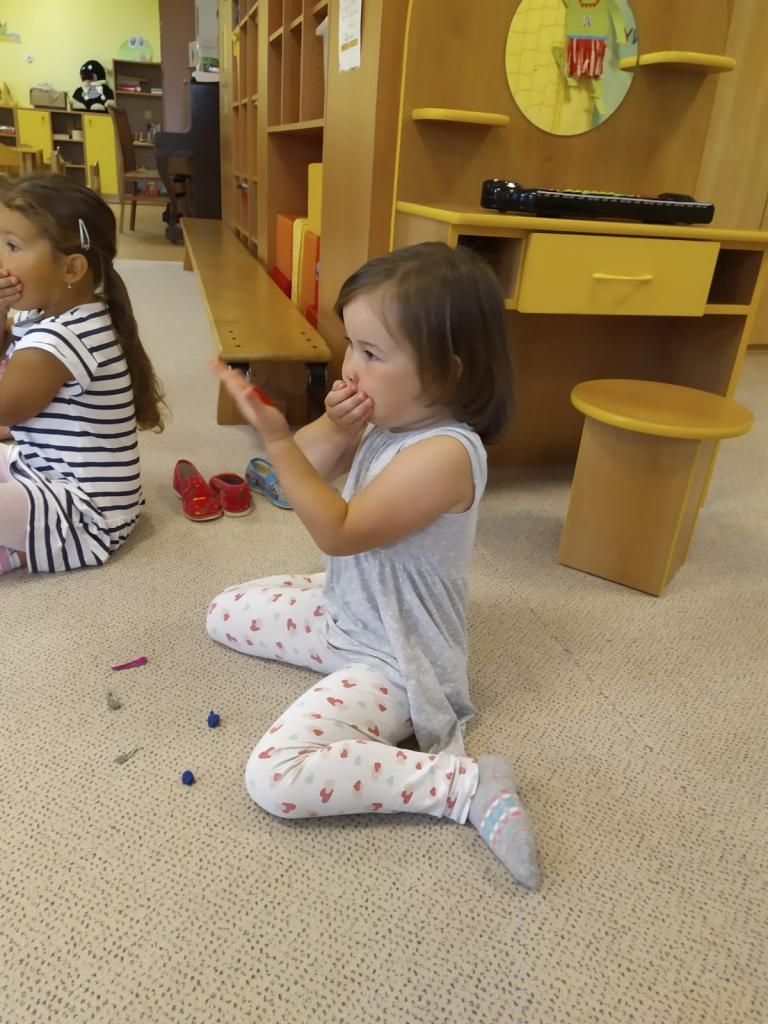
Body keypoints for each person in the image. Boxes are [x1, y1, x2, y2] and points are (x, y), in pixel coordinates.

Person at [207, 242, 539, 889]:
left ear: (448, 372)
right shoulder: (389, 414)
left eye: (371, 353)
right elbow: (298, 472)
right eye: (351, 346)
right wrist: (334, 429)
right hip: (348, 610)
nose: (349, 368)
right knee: (222, 611)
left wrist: (274, 435)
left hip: (397, 655)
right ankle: (335, 618)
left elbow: (337, 530)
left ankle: (465, 786)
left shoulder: (446, 453)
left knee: (276, 776)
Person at [0, 173, 165, 575]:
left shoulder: (61, 339)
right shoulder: (54, 314)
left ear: (72, 268)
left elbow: (5, 410)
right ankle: (21, 542)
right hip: (44, 471)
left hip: (83, 512)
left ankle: (25, 547)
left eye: (12, 246)